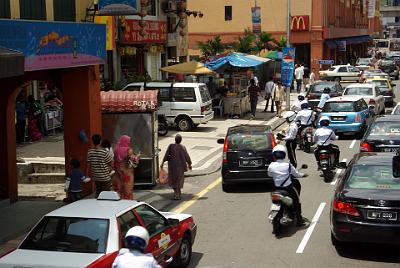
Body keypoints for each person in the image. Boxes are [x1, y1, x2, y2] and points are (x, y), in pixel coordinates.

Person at [268, 145, 307, 226]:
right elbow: (296, 174)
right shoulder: (287, 164)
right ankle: (299, 219)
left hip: (276, 189)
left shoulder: (271, 165)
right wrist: (303, 175)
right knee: (297, 201)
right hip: (288, 189)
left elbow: (269, 174)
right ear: (284, 154)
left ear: (274, 155)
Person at [160, 134, 192, 200]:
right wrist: (189, 164)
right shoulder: (182, 147)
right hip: (180, 167)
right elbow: (187, 156)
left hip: (172, 167)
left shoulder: (171, 146)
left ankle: (176, 194)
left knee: (173, 180)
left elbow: (166, 154)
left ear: (175, 139)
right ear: (180, 140)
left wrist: (162, 163)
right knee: (178, 181)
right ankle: (178, 194)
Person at [113, 135, 140, 200]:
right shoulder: (128, 150)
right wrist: (137, 157)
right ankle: (128, 203)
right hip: (127, 172)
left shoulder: (116, 149)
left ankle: (121, 202)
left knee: (120, 189)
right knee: (128, 189)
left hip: (118, 173)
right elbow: (134, 161)